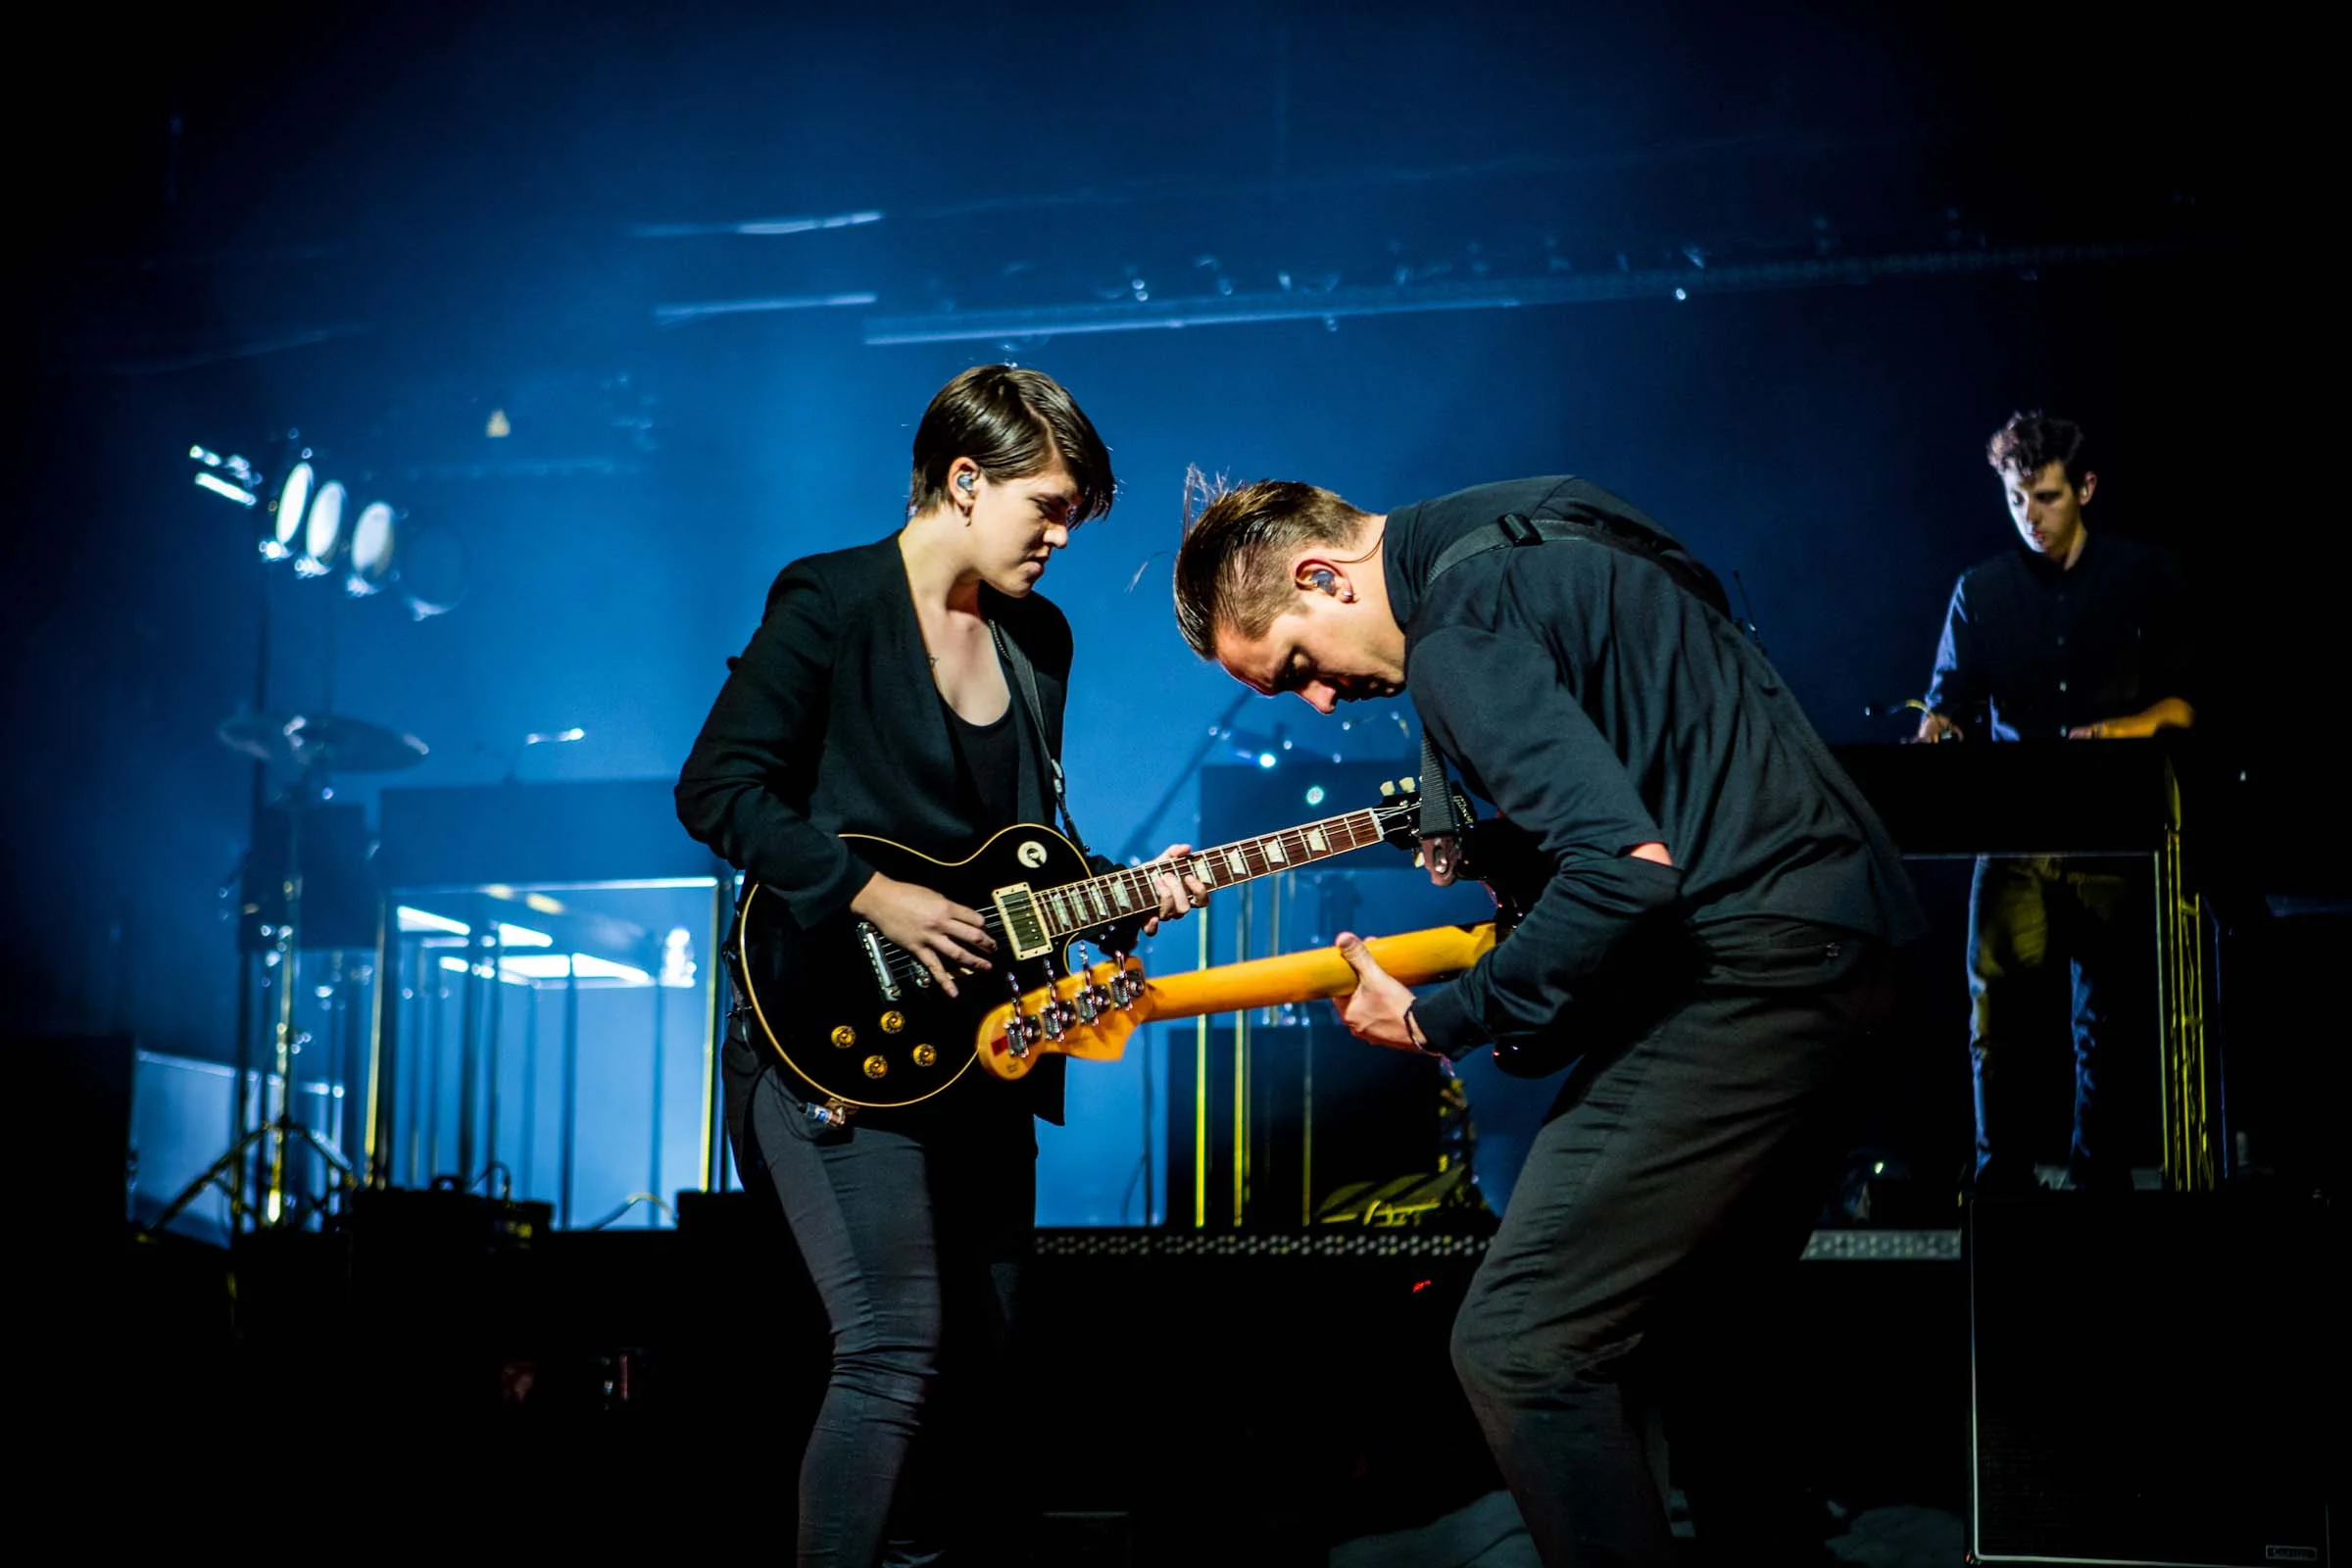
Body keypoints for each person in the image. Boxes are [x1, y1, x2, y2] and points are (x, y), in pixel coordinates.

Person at [1172, 470, 1926, 1565]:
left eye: (1296, 667)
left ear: (1323, 576)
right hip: (1861, 941)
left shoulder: (1454, 637)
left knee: (1517, 1343)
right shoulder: (1546, 516)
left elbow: (1627, 872)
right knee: (1702, 1331)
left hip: (1755, 972)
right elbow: (1666, 702)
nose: (1321, 702)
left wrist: (1439, 1019)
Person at [677, 365, 1205, 1566]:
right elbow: (717, 791)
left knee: (982, 1370)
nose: (1062, 537)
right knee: (891, 1349)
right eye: (1049, 507)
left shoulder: (1037, 638)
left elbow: (1016, 855)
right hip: (831, 1033)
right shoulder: (831, 600)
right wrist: (870, 892)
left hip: (978, 1055)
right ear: (966, 480)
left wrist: (1121, 898)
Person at [1914, 411, 2195, 1195]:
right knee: (1995, 1021)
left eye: (2045, 498)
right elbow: (1947, 702)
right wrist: (1937, 729)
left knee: (2107, 1027)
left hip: (2113, 835)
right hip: (2015, 835)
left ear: (2086, 488)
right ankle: (2000, 1183)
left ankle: (2098, 1184)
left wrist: (2114, 730)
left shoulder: (2146, 575)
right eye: (2016, 500)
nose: (2029, 517)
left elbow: (2185, 705)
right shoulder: (1981, 590)